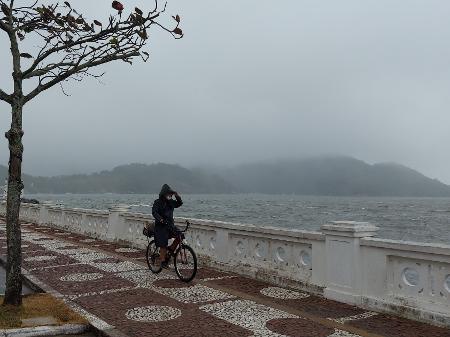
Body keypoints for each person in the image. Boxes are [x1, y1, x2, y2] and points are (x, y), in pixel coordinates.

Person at [152, 184, 183, 268]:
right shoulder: (157, 202)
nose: (169, 195)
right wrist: (160, 219)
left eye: (170, 194)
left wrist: (177, 195)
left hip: (170, 225)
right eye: (168, 193)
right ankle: (163, 262)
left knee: (180, 236)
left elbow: (179, 203)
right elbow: (154, 212)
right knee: (163, 242)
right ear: (163, 194)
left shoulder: (171, 202)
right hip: (160, 226)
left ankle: (170, 249)